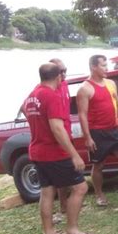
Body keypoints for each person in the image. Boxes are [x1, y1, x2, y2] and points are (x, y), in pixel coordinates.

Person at [23, 63, 93, 234]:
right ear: (58, 77)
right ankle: (72, 230)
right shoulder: (51, 96)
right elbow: (57, 128)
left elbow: (26, 110)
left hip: (37, 151)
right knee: (80, 187)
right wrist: (74, 155)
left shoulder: (33, 95)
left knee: (47, 192)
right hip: (54, 153)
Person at [76, 55, 118, 207]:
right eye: (103, 65)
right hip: (97, 133)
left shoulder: (110, 83)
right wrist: (88, 137)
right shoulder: (85, 88)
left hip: (113, 129)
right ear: (93, 67)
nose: (106, 68)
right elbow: (82, 114)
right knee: (99, 165)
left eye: (106, 65)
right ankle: (99, 194)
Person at [49, 58, 70, 223]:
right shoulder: (47, 90)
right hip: (56, 138)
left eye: (65, 70)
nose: (64, 74)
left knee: (64, 177)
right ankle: (57, 210)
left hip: (66, 133)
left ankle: (64, 206)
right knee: (54, 179)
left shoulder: (65, 84)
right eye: (61, 71)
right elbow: (25, 106)